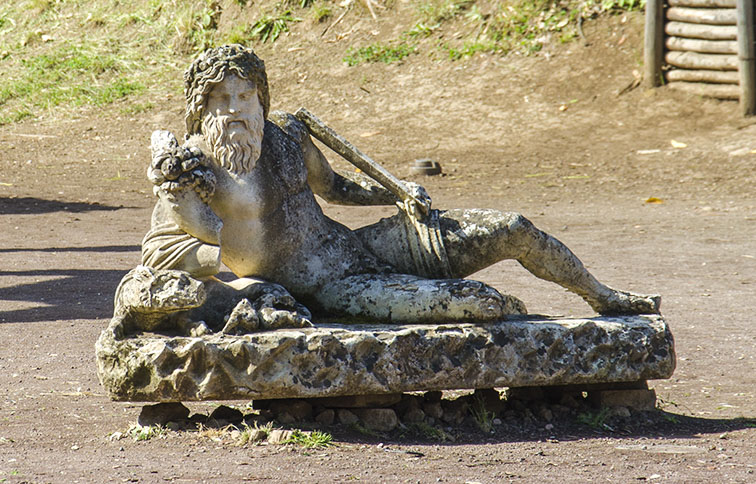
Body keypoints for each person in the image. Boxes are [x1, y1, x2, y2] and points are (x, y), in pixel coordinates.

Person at [142, 44, 660, 324]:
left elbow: (338, 190)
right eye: (221, 99)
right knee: (479, 301)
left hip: (356, 246)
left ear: (262, 99)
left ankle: (603, 295)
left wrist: (396, 194)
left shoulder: (285, 139)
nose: (235, 110)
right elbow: (158, 256)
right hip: (333, 286)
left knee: (512, 228)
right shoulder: (189, 173)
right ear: (200, 107)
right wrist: (212, 243)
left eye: (246, 96)